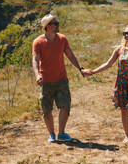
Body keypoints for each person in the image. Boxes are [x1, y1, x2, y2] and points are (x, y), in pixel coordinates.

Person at [84, 25, 128, 145]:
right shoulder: (119, 49)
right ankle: (127, 136)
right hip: (121, 83)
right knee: (124, 110)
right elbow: (108, 64)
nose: (126, 36)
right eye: (124, 33)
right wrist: (93, 71)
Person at [32, 14, 88, 142]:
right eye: (55, 23)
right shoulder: (38, 42)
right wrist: (37, 75)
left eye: (57, 23)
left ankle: (61, 133)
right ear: (48, 26)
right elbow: (35, 61)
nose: (58, 25)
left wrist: (81, 68)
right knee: (47, 109)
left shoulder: (62, 39)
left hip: (61, 79)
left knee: (65, 106)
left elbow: (70, 56)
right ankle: (51, 135)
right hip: (46, 81)